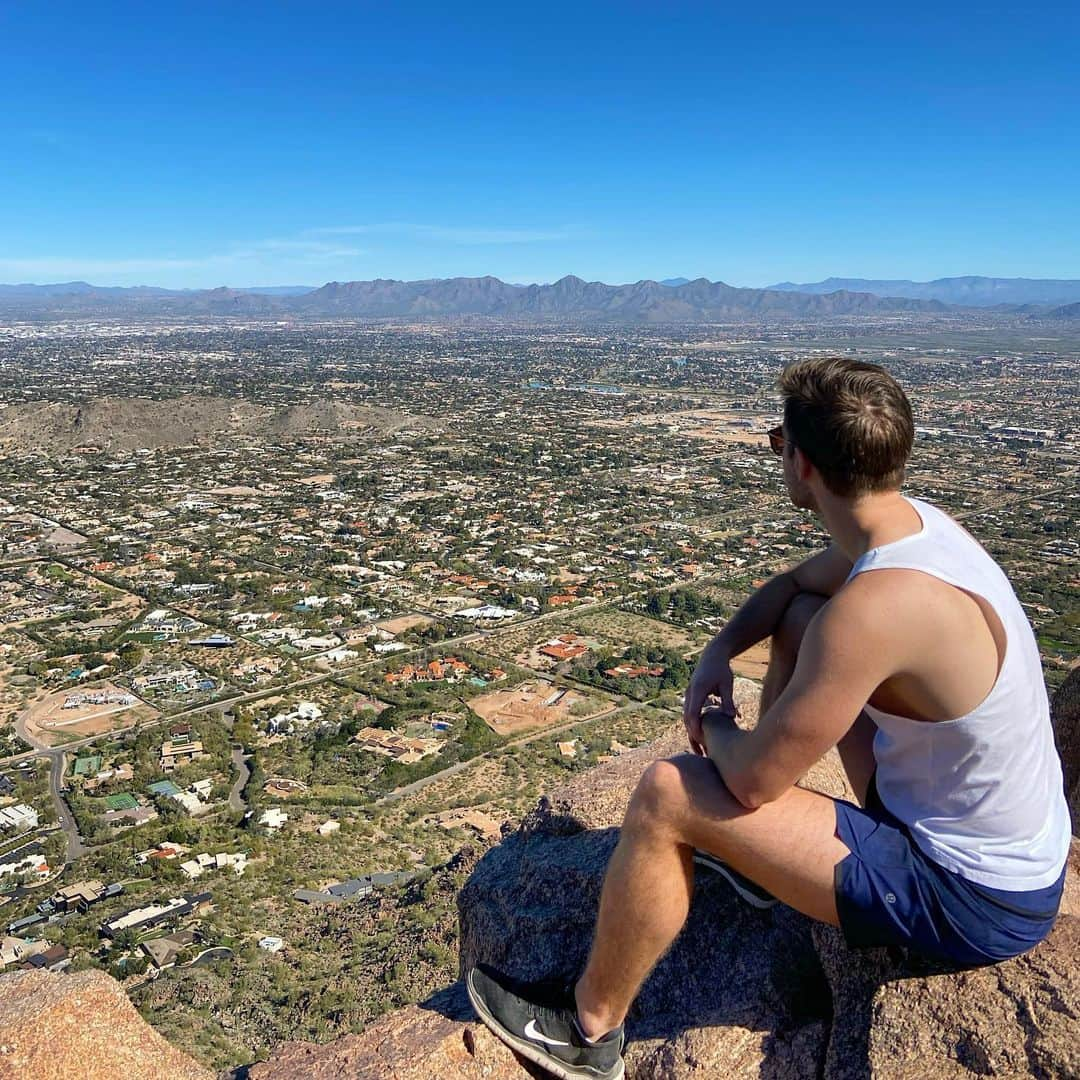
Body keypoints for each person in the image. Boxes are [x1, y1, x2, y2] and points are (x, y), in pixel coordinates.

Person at [466, 357, 1072, 1080]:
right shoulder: (919, 534)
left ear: (805, 465)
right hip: (994, 837)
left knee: (667, 795)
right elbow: (792, 587)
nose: (774, 451)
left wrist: (718, 726)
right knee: (802, 616)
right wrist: (719, 650)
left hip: (969, 892)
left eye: (778, 440)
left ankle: (589, 1034)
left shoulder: (875, 612)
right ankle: (764, 859)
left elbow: (749, 782)